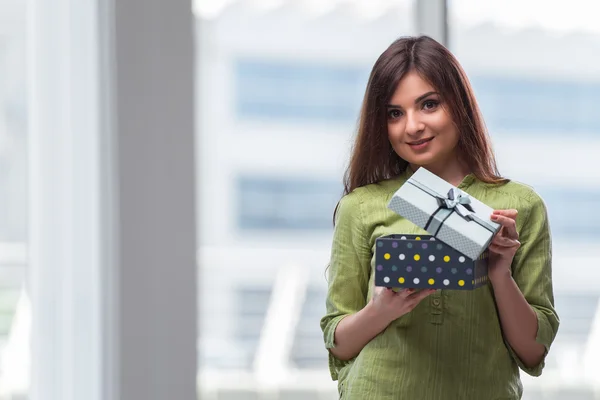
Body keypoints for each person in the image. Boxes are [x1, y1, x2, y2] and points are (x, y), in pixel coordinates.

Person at [320, 35, 559, 400]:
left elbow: (533, 351)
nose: (412, 126)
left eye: (428, 104)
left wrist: (499, 271)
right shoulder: (362, 206)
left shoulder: (518, 205)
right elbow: (338, 344)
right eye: (394, 113)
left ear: (459, 105)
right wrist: (382, 309)